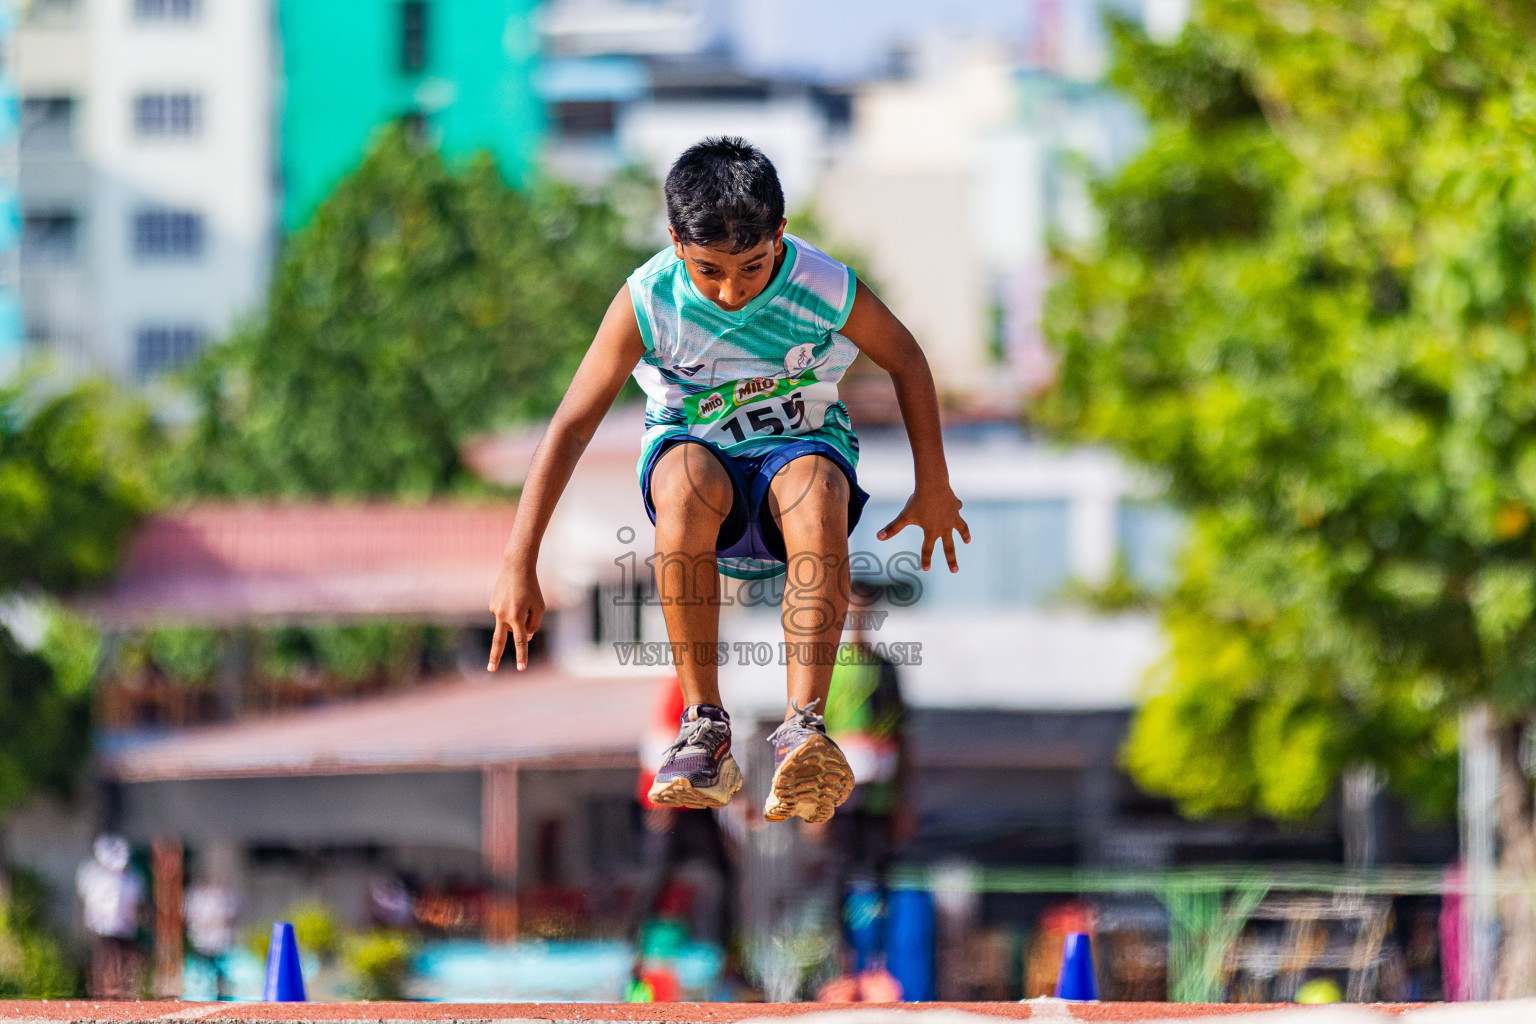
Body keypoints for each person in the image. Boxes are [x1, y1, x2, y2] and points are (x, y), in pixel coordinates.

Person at [489, 136, 968, 824]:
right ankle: (703, 725)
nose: (732, 291)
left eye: (751, 266)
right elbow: (569, 426)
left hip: (796, 451)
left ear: (780, 233)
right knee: (683, 477)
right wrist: (519, 558)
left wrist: (934, 484)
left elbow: (908, 359)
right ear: (676, 241)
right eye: (710, 270)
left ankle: (805, 727)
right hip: (698, 459)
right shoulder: (650, 298)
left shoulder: (821, 283)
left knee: (815, 485)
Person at [76, 834, 145, 999]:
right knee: (103, 962)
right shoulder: (92, 875)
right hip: (101, 929)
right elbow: (87, 903)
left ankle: (119, 994)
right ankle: (102, 995)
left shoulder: (130, 878)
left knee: (122, 963)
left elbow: (133, 905)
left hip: (123, 929)